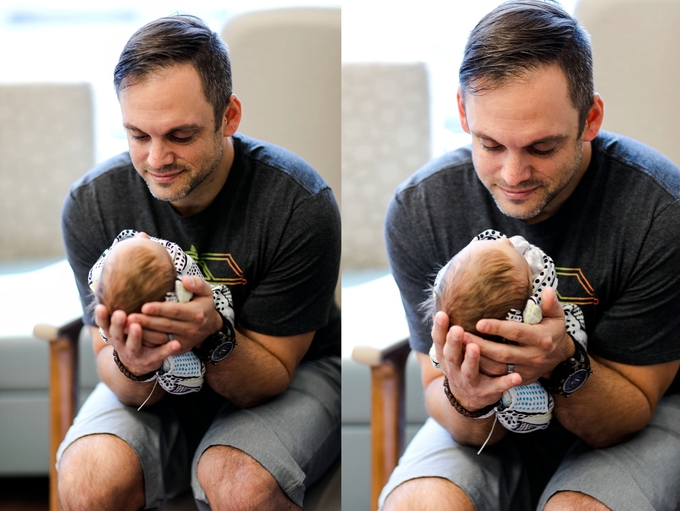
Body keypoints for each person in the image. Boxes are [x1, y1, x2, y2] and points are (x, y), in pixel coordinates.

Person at [381, 1, 680, 510]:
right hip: (490, 425)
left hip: (631, 417)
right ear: (462, 113)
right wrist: (469, 396)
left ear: (591, 118)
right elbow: (438, 390)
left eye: (542, 148)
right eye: (490, 144)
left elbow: (625, 413)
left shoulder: (658, 211)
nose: (513, 175)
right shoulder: (422, 209)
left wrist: (560, 361)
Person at [57, 14, 340, 511]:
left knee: (236, 481)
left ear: (229, 116)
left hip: (291, 371)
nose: (156, 158)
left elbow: (268, 379)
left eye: (180, 135)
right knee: (89, 477)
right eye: (138, 135)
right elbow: (114, 372)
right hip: (159, 384)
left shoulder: (299, 203)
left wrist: (210, 334)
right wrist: (135, 363)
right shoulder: (92, 205)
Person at [423, 229, 587, 435]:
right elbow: (433, 386)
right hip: (464, 427)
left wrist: (563, 357)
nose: (506, 241)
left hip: (583, 420)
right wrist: (467, 396)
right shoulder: (417, 211)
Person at [89, 229, 236, 396]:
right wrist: (135, 364)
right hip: (133, 391)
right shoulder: (184, 290)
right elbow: (103, 355)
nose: (143, 235)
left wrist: (211, 329)